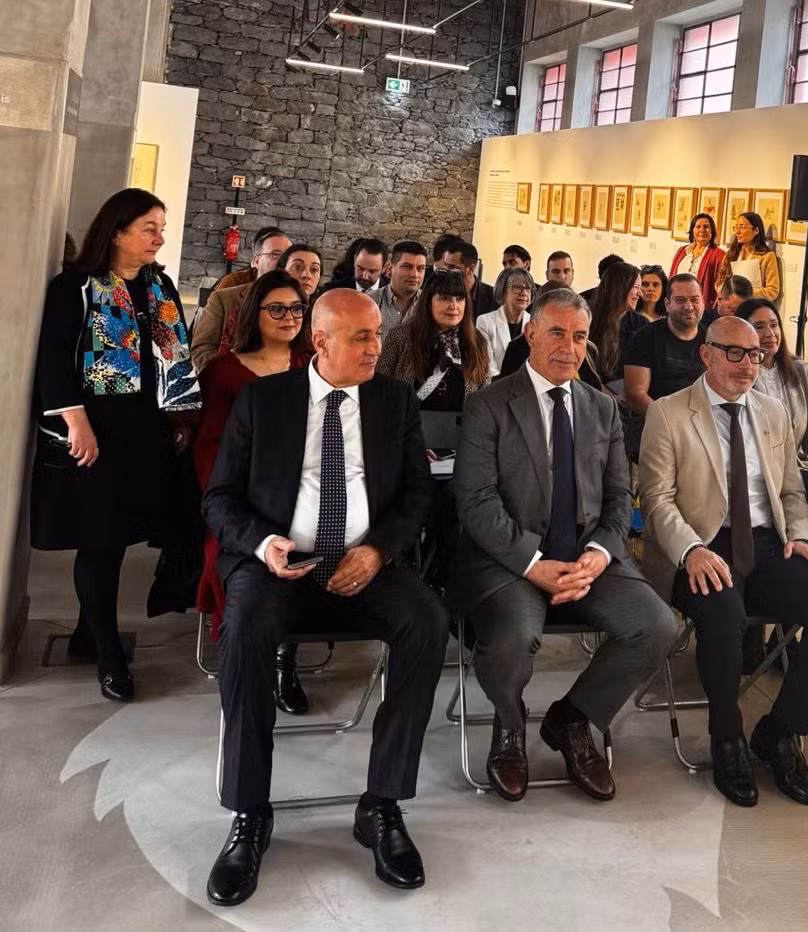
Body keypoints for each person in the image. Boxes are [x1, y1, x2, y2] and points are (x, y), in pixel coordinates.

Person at [202, 289, 448, 906]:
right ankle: (250, 814)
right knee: (246, 627)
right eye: (361, 337)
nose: (376, 348)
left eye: (378, 335)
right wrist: (264, 545)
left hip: (366, 562)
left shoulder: (392, 401)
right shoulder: (266, 400)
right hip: (280, 567)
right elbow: (219, 499)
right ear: (321, 342)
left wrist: (379, 551)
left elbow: (418, 496)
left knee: (427, 621)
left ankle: (382, 805)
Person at [450, 287, 677, 803]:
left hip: (586, 555)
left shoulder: (602, 407)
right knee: (514, 636)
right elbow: (476, 502)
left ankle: (572, 719)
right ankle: (509, 725)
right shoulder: (489, 405)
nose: (569, 348)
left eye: (579, 337)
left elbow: (621, 497)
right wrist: (533, 564)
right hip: (508, 559)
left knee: (657, 625)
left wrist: (597, 556)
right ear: (530, 332)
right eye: (556, 333)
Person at [639, 317, 808, 807]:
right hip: (699, 547)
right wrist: (691, 550)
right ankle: (727, 738)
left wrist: (801, 537)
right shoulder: (670, 412)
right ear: (706, 354)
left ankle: (781, 733)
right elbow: (655, 500)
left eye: (755, 354)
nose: (747, 364)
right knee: (722, 617)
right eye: (734, 353)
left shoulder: (772, 412)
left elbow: (790, 491)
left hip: (766, 545)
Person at [32, 187, 201, 702]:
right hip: (98, 428)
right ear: (118, 230)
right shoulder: (76, 286)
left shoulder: (159, 286)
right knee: (99, 538)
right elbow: (55, 359)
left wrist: (181, 414)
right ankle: (108, 655)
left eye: (160, 227)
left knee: (122, 534)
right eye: (149, 227)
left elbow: (176, 352)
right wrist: (75, 421)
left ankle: (90, 631)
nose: (159, 237)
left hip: (146, 430)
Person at [192, 270, 313, 715]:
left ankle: (286, 658)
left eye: (297, 308)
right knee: (240, 556)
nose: (288, 317)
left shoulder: (312, 366)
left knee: (314, 542)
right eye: (276, 308)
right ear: (254, 314)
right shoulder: (226, 371)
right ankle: (246, 656)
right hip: (241, 500)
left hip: (303, 496)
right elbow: (209, 449)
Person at [193, 243, 320, 372]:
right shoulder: (227, 298)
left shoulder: (322, 312)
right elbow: (202, 348)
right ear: (281, 270)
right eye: (298, 267)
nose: (307, 275)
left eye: (315, 270)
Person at [377, 269, 490, 410]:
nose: (453, 306)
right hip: (408, 426)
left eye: (459, 299)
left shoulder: (477, 341)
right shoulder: (400, 337)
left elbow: (484, 394)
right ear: (428, 301)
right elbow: (379, 386)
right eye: (445, 298)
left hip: (460, 428)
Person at [736, 299, 808, 471]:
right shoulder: (736, 374)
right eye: (759, 327)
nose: (770, 333)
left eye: (774, 325)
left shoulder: (801, 370)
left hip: (794, 475)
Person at [622, 273, 709, 417]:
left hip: (703, 421)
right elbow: (635, 395)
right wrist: (669, 422)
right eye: (680, 300)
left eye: (695, 300)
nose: (689, 307)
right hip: (658, 422)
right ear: (667, 304)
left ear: (703, 303)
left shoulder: (713, 339)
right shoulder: (645, 337)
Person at [586, 261, 642, 385]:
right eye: (636, 287)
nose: (640, 293)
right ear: (621, 287)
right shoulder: (588, 318)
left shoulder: (641, 325)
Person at [477, 266, 535, 378]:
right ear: (503, 291)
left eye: (528, 288)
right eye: (517, 287)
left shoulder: (535, 323)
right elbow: (487, 365)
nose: (524, 293)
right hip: (496, 386)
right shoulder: (485, 322)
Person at [714, 212, 780, 302]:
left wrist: (745, 293)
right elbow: (719, 281)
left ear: (756, 230)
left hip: (753, 307)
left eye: (742, 227)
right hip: (731, 305)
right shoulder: (731, 253)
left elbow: (772, 291)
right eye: (736, 227)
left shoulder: (766, 256)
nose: (737, 232)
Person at [373, 239, 427, 338]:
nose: (414, 275)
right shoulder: (370, 302)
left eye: (420, 269)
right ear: (390, 268)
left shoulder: (431, 304)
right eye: (406, 266)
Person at [210, 226, 288, 293]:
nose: (284, 261)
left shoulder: (294, 284)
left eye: (289, 255)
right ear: (256, 260)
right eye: (276, 254)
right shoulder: (234, 282)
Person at [669, 213, 722, 309]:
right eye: (698, 226)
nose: (702, 230)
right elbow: (672, 277)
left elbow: (720, 288)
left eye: (706, 227)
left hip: (699, 305)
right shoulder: (682, 251)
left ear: (712, 231)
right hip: (677, 301)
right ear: (692, 230)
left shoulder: (719, 255)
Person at [318, 237, 387, 295]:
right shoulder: (331, 291)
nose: (365, 277)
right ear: (354, 260)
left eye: (372, 271)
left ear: (383, 268)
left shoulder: (393, 293)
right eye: (361, 269)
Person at [444, 240, 495, 315]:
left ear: (471, 269)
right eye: (445, 265)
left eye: (452, 267)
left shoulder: (493, 298)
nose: (446, 271)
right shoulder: (437, 292)